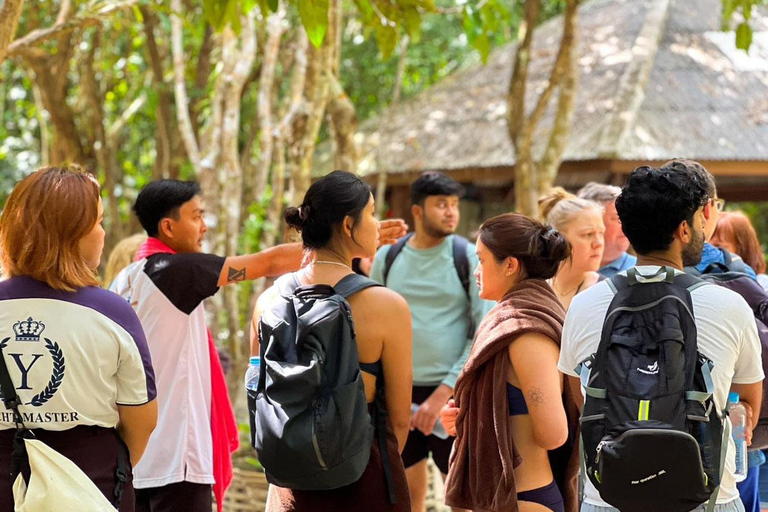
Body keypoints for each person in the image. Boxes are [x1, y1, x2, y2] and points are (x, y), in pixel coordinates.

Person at [110, 178, 407, 512]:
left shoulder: (128, 276)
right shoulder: (177, 271)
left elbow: (257, 388)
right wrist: (337, 236)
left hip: (138, 452)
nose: (204, 227)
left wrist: (344, 234)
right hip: (174, 456)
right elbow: (267, 262)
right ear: (167, 226)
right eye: (196, 216)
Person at [558, 162, 764, 512]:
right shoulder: (730, 305)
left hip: (610, 496)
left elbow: (579, 400)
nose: (703, 228)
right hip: (707, 498)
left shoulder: (584, 305)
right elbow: (749, 405)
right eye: (701, 220)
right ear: (684, 229)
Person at [253, 170, 413, 511]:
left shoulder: (268, 301)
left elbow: (257, 390)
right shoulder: (386, 306)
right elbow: (400, 419)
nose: (377, 222)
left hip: (289, 484)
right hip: (363, 477)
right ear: (346, 225)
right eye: (371, 212)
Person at [0, 165, 157, 511]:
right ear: (71, 233)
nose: (103, 233)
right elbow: (142, 423)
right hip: (93, 488)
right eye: (98, 222)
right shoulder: (112, 313)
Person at [369, 171, 492, 512]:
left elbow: (482, 330)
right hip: (396, 394)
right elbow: (370, 322)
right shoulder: (387, 257)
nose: (451, 212)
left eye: (454, 205)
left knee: (462, 500)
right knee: (406, 497)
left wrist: (442, 395)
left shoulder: (467, 257)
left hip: (454, 396)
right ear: (418, 211)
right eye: (441, 205)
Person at [439, 213, 576, 512]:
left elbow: (554, 433)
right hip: (510, 497)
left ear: (510, 265)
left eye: (482, 260)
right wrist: (470, 416)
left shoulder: (526, 331)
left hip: (526, 498)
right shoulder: (512, 319)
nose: (476, 271)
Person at [538, 188, 605, 310]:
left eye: (601, 233)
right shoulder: (536, 290)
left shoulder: (607, 295)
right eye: (588, 234)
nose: (599, 243)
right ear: (557, 237)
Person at [577, 182, 636, 278]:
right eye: (617, 218)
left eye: (627, 217)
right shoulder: (561, 271)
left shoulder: (641, 273)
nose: (626, 224)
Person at [712, 211, 768, 291]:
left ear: (743, 249)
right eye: (706, 246)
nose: (711, 252)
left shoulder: (762, 286)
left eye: (718, 247)